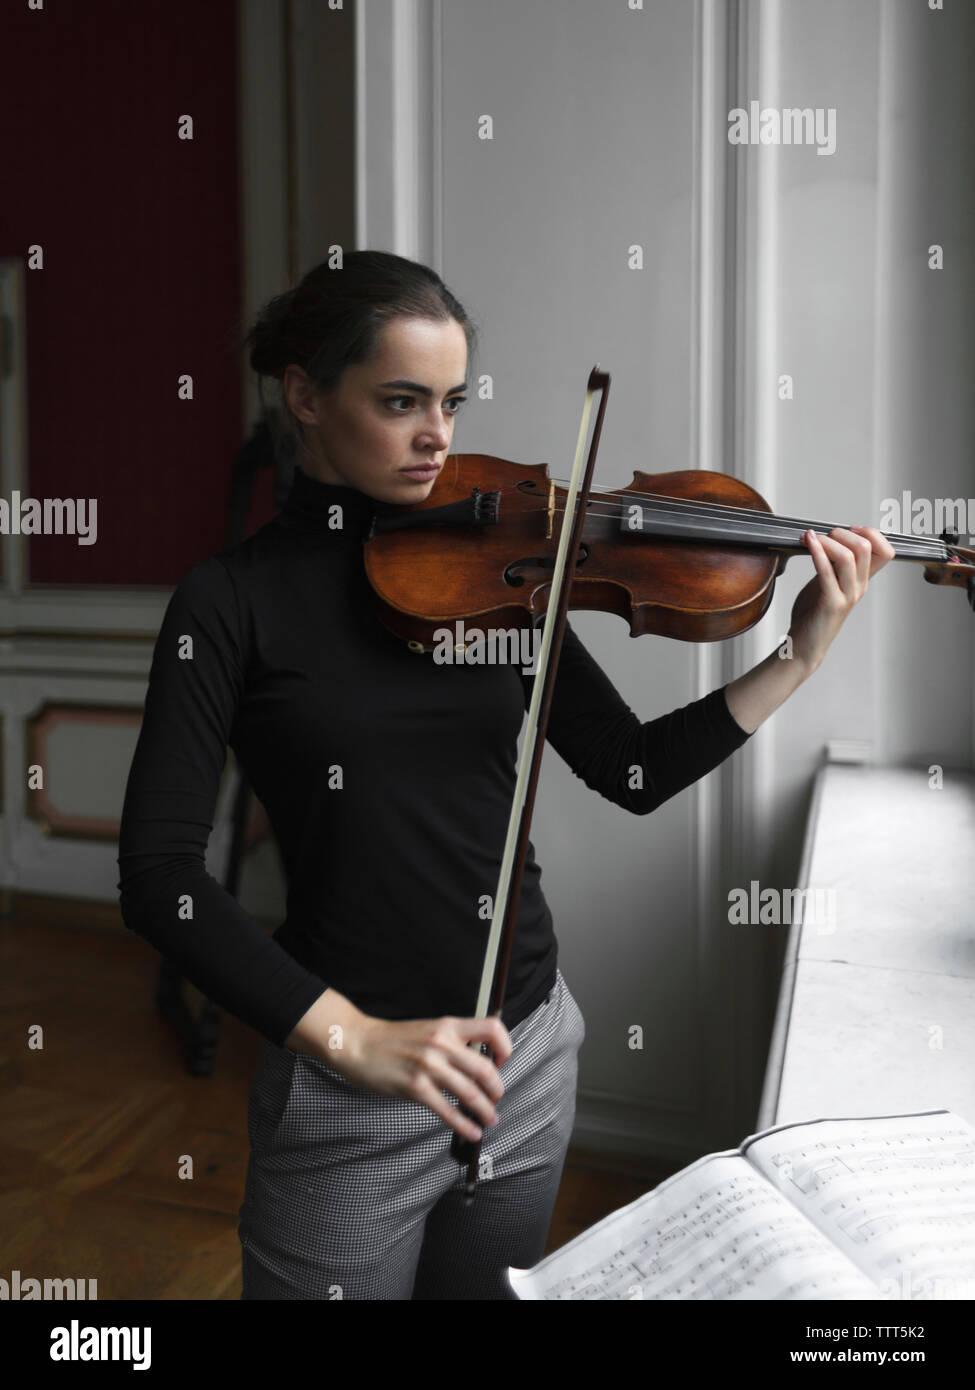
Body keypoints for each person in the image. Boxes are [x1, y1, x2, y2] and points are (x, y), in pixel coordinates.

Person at [116, 250, 895, 1301]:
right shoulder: (228, 604)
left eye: (451, 400)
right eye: (401, 403)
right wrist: (350, 1040)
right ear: (305, 394)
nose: (440, 436)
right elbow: (159, 872)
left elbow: (630, 768)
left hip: (525, 1052)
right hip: (354, 1085)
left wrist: (796, 656)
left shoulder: (502, 570)